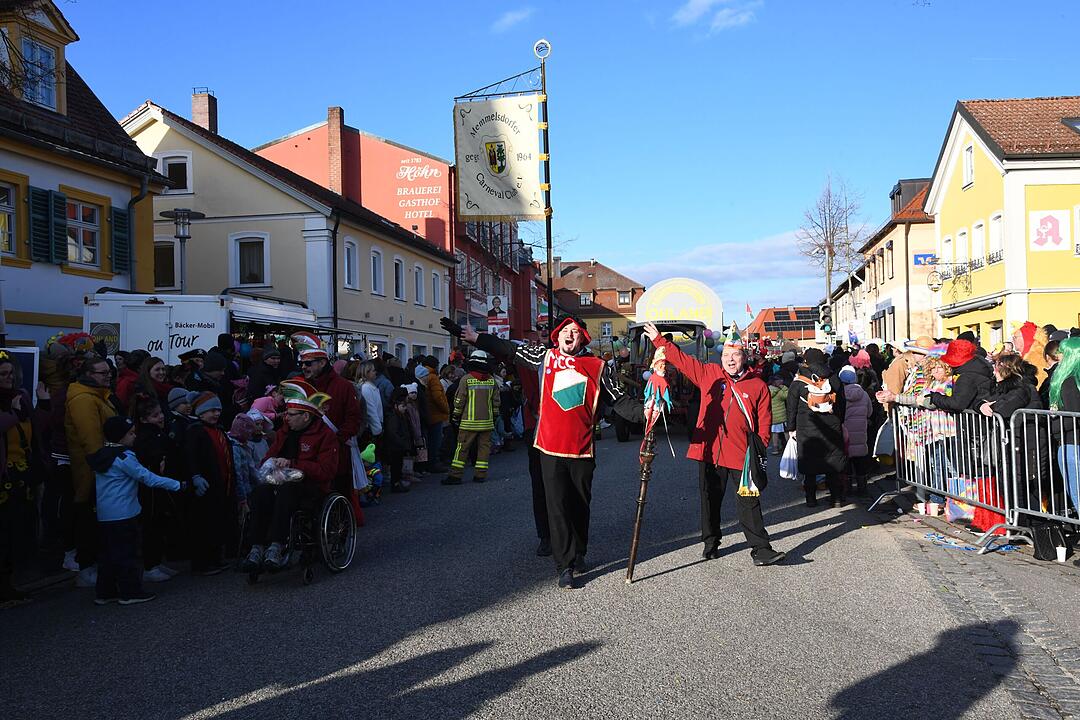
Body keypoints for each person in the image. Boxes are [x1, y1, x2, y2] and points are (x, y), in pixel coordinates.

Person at [443, 315, 643, 589]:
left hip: (582, 449)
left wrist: (647, 413)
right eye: (565, 332)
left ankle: (579, 550)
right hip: (548, 447)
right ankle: (565, 565)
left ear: (583, 337)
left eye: (574, 332)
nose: (569, 337)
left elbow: (620, 400)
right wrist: (477, 338)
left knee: (579, 504)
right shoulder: (544, 357)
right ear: (557, 336)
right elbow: (509, 350)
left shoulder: (598, 367)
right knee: (557, 505)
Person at [644, 323, 787, 566]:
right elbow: (681, 359)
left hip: (743, 455)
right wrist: (659, 340)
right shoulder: (708, 373)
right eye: (726, 356)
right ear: (720, 357)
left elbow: (764, 423)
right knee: (709, 500)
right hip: (710, 452)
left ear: (744, 357)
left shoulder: (758, 385)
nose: (731, 360)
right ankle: (711, 542)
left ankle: (761, 549)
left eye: (736, 355)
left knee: (749, 502)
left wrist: (759, 450)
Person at [88, 416, 192, 605]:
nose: (134, 436)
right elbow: (148, 477)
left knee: (108, 554)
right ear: (120, 437)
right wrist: (178, 485)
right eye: (130, 433)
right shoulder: (124, 457)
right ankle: (130, 591)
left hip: (105, 513)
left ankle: (105, 592)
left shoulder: (101, 456)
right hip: (124, 512)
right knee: (126, 554)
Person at [240, 380, 338, 572]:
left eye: (292, 415)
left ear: (306, 416)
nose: (286, 418)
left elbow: (327, 471)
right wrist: (272, 463)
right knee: (260, 492)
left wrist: (293, 464)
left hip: (312, 486)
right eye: (286, 414)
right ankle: (256, 547)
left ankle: (276, 546)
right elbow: (269, 456)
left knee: (287, 492)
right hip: (281, 480)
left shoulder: (325, 435)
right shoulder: (284, 433)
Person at [293, 333, 362, 519]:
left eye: (308, 363)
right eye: (302, 364)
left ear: (322, 363)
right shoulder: (300, 386)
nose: (304, 367)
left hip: (335, 451)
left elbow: (354, 418)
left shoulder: (343, 386)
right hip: (305, 451)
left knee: (338, 492)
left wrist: (337, 439)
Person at [65, 354, 118, 587]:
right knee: (89, 519)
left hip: (103, 467)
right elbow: (92, 439)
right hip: (93, 470)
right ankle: (86, 568)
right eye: (103, 373)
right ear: (88, 375)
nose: (108, 376)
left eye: (109, 372)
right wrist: (104, 465)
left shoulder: (98, 396)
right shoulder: (83, 400)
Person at [131, 396, 183, 583]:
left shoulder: (159, 433)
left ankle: (156, 561)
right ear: (144, 419)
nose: (160, 418)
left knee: (160, 524)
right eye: (154, 416)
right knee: (151, 525)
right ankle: (150, 565)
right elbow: (150, 459)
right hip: (151, 489)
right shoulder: (146, 437)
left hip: (162, 485)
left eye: (160, 413)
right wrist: (160, 460)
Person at [788, 348, 848, 507]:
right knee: (833, 465)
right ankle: (836, 499)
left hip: (807, 427)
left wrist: (791, 427)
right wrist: (840, 420)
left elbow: (791, 408)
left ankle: (811, 499)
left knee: (809, 466)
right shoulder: (834, 378)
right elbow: (842, 402)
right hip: (832, 426)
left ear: (806, 361)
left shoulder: (798, 382)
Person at [184, 392, 234, 575]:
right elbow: (191, 456)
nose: (216, 414)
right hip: (206, 485)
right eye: (212, 410)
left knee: (216, 523)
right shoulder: (196, 431)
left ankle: (215, 557)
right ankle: (202, 563)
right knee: (203, 526)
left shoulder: (219, 430)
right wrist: (195, 476)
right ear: (201, 412)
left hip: (221, 483)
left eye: (218, 410)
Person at [0, 353, 35, 600]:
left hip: (21, 471)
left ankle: (9, 584)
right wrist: (12, 413)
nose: (8, 378)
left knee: (15, 531)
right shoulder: (11, 405)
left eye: (11, 373)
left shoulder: (19, 398)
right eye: (3, 374)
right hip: (4, 475)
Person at [443, 350, 500, 485]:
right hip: (486, 423)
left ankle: (455, 476)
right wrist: (494, 417)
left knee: (462, 448)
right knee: (484, 449)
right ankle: (480, 475)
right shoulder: (492, 381)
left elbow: (459, 401)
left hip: (468, 423)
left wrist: (455, 416)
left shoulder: (466, 379)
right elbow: (496, 402)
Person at [1049, 338, 1080, 513]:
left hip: (1071, 444)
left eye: (1062, 351)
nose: (1058, 355)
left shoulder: (1069, 382)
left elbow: (1073, 416)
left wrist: (1052, 426)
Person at [839, 365, 872, 497]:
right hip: (860, 433)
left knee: (846, 463)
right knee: (860, 463)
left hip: (844, 433)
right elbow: (869, 412)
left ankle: (846, 489)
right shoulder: (863, 394)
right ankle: (862, 488)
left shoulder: (839, 394)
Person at [418, 356, 449, 472]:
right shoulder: (433, 377)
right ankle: (434, 463)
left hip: (428, 412)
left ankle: (429, 463)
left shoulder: (425, 375)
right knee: (435, 440)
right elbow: (438, 396)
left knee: (429, 440)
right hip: (435, 413)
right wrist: (446, 409)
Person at [381, 387, 415, 493]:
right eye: (403, 406)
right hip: (395, 447)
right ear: (396, 405)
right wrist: (402, 443)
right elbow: (393, 433)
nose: (405, 408)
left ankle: (397, 482)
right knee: (396, 466)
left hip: (399, 446)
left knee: (398, 465)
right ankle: (395, 484)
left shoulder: (399, 415)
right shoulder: (393, 416)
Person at [768, 375, 789, 455]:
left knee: (775, 433)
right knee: (786, 432)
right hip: (782, 416)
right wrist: (784, 387)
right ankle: (788, 447)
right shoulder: (779, 391)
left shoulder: (768, 389)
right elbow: (786, 396)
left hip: (773, 416)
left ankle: (775, 448)